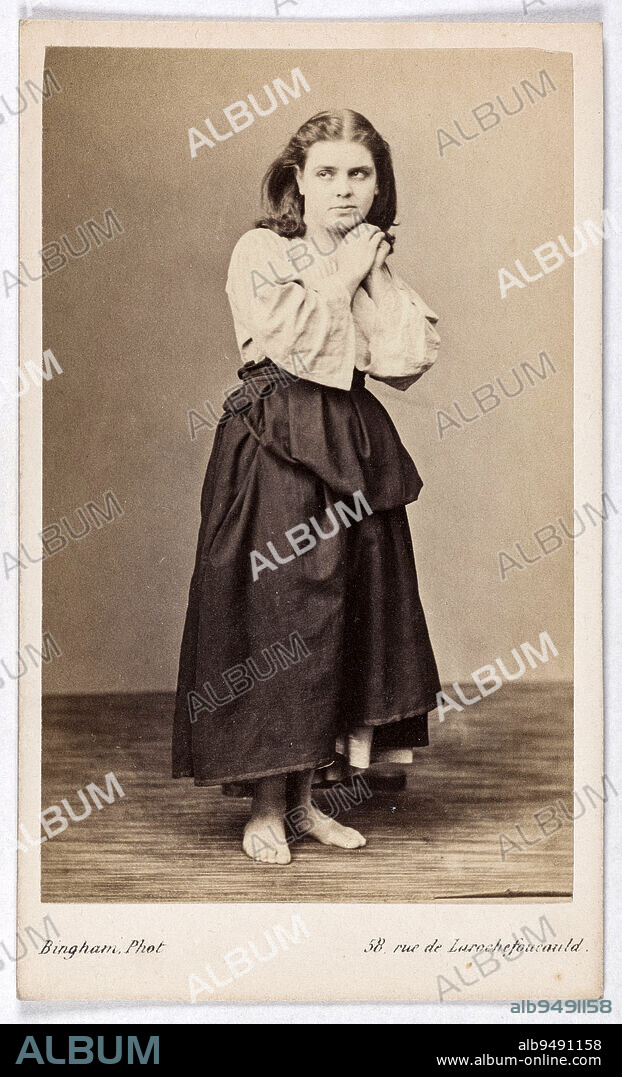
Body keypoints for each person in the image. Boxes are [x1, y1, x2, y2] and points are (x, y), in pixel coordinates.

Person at [172, 109, 441, 865]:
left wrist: (369, 271)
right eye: (327, 173)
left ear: (379, 184)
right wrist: (346, 272)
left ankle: (304, 804)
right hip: (276, 439)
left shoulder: (369, 259)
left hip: (349, 441)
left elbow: (403, 358)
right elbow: (289, 343)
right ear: (298, 180)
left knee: (340, 616)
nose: (345, 189)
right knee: (277, 615)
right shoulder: (262, 249)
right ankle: (264, 807)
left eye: (360, 174)